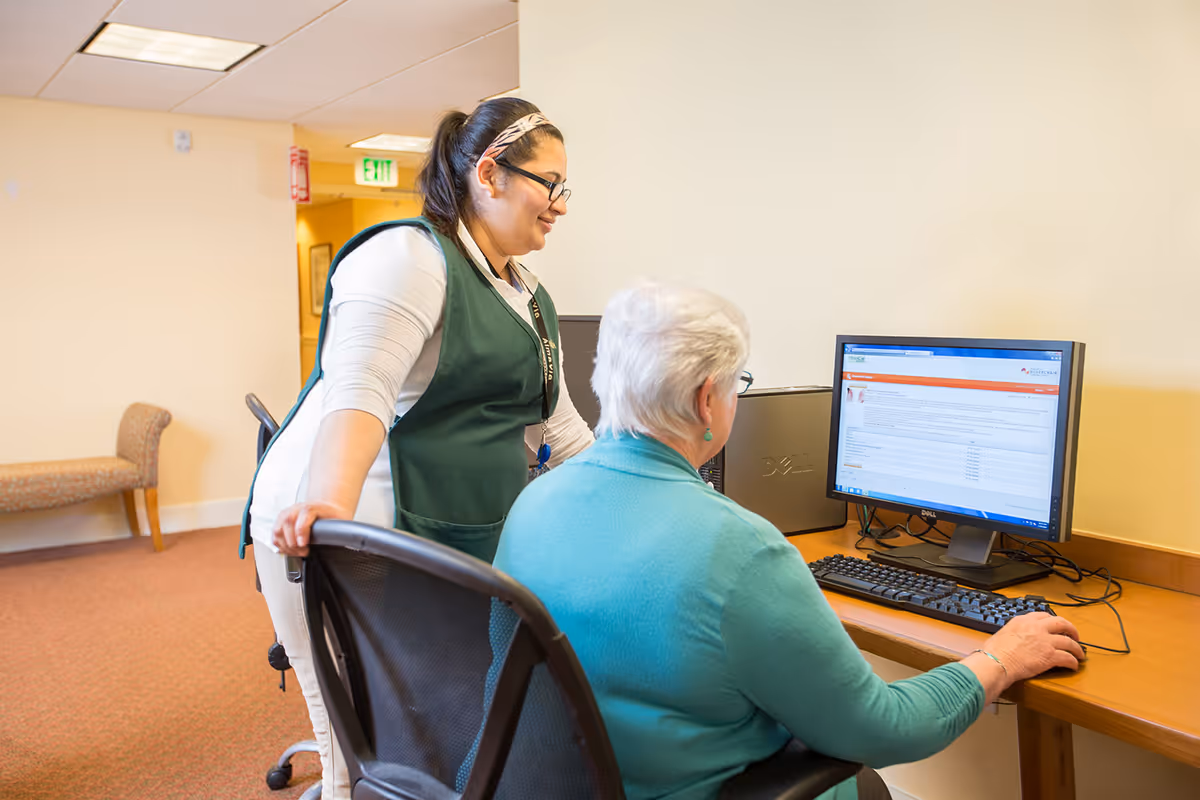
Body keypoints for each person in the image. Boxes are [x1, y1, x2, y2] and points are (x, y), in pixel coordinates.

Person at [493, 282, 1085, 800]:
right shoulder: (741, 549)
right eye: (736, 386)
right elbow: (884, 728)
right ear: (706, 399)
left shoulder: (531, 505)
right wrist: (1000, 658)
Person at [241, 98, 594, 800]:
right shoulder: (408, 258)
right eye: (548, 184)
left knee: (442, 711)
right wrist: (327, 511)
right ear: (489, 174)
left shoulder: (526, 293)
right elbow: (360, 393)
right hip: (347, 519)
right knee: (358, 734)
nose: (559, 205)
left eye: (566, 189)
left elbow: (558, 426)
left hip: (446, 525)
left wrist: (651, 491)